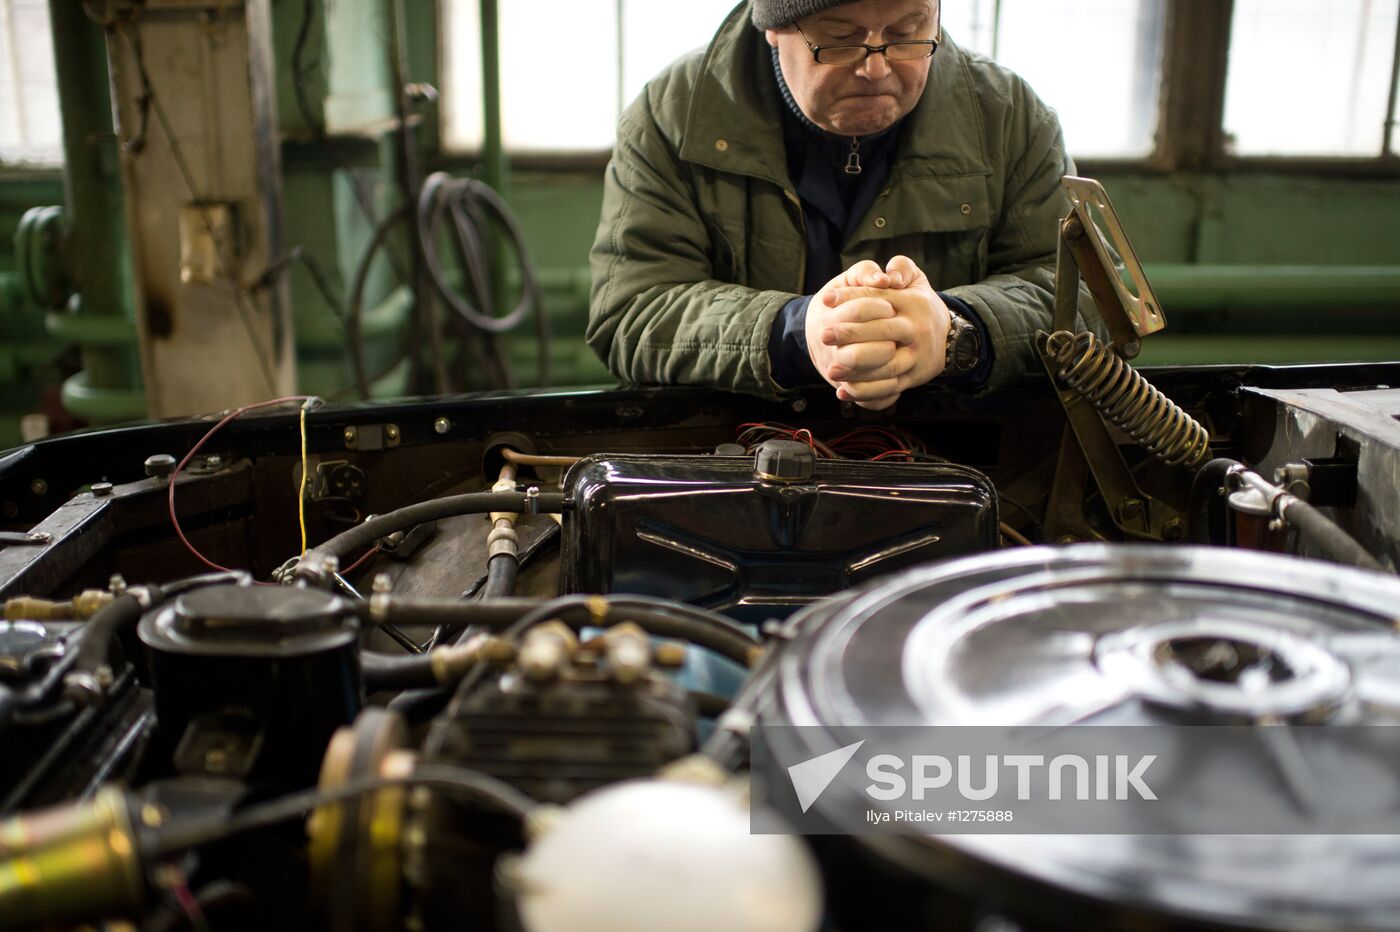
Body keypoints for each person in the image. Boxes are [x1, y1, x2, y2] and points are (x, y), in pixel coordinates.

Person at [587, 0, 1100, 411]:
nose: (875, 68)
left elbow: (1083, 299)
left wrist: (959, 330)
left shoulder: (1011, 117)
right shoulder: (673, 114)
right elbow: (631, 308)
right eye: (838, 39)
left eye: (907, 32)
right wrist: (793, 333)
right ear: (773, 27)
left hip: (956, 449)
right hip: (738, 447)